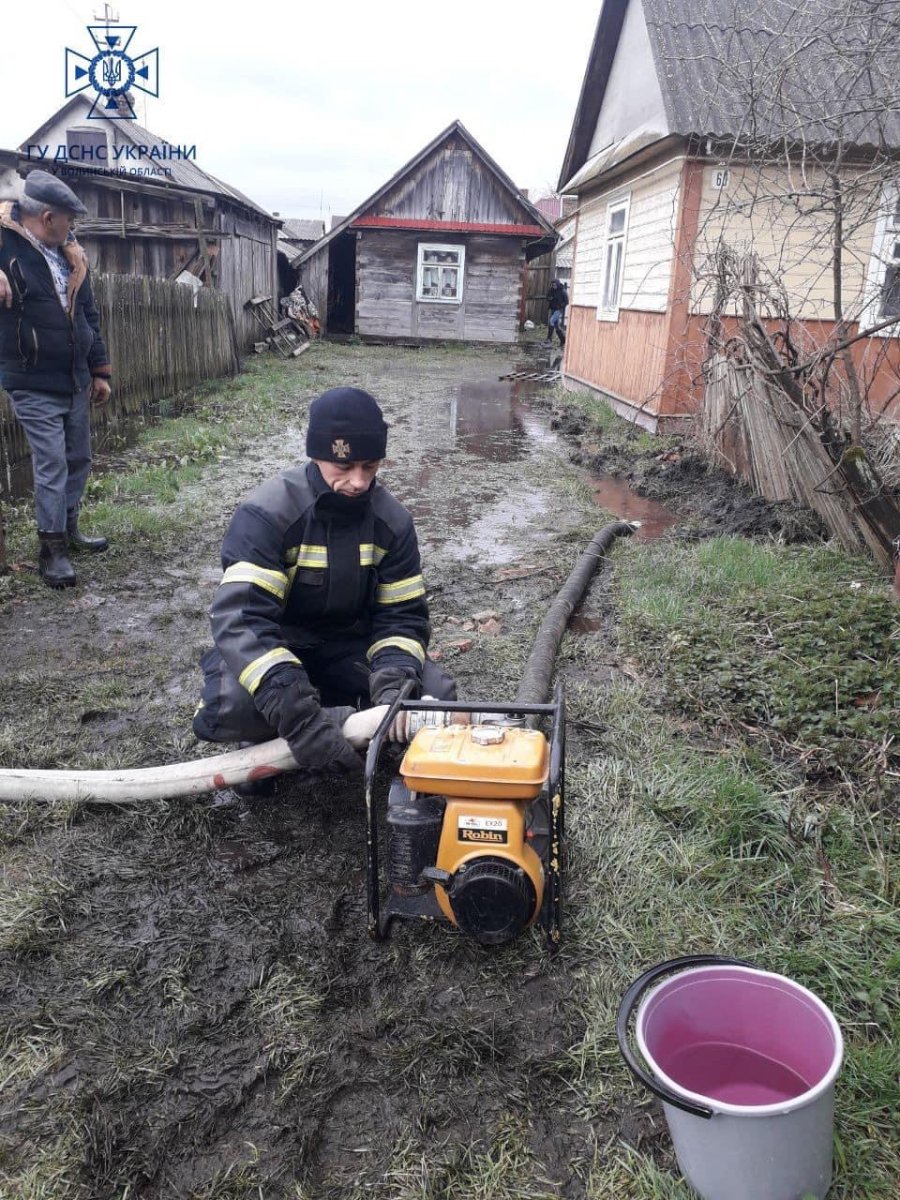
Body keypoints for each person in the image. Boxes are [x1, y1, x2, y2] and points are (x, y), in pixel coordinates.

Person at [192, 386, 456, 781]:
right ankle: (268, 738)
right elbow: (243, 622)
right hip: (280, 648)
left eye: (370, 466)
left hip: (348, 648)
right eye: (344, 467)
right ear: (316, 455)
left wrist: (392, 692)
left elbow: (402, 620)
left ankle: (345, 719)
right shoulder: (267, 515)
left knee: (434, 694)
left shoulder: (393, 523)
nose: (358, 482)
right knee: (230, 705)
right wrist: (299, 719)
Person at [0, 169, 112, 588]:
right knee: (52, 462)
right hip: (31, 378)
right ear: (48, 217)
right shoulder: (5, 243)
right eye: (69, 219)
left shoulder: (71, 254)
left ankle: (69, 529)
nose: (73, 227)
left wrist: (99, 371)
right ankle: (52, 550)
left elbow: (88, 315)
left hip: (74, 377)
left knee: (78, 458)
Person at [546, 278, 568, 346]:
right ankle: (563, 340)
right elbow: (547, 297)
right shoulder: (551, 290)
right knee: (556, 326)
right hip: (552, 308)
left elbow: (566, 301)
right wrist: (549, 298)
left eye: (555, 285)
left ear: (558, 284)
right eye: (553, 285)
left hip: (558, 310)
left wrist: (561, 305)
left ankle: (549, 339)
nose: (554, 286)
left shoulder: (563, 291)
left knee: (551, 321)